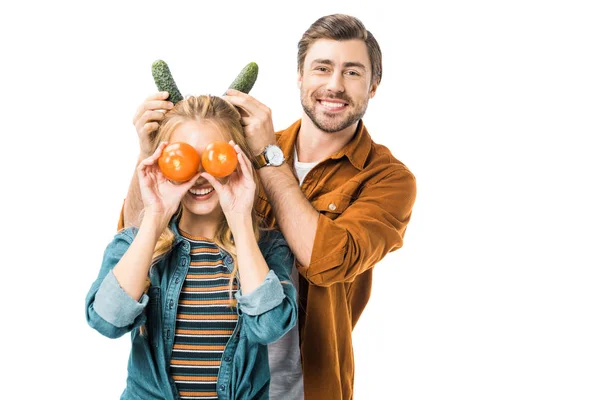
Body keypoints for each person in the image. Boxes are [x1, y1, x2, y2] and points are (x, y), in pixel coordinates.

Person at [123, 13, 416, 400]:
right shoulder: (238, 149)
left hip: (301, 386)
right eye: (322, 68)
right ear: (300, 76)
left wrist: (268, 159)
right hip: (199, 385)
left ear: (373, 85)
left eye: (353, 72)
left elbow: (327, 261)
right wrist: (149, 154)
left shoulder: (387, 178)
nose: (334, 85)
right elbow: (136, 243)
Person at [86, 95, 298, 400]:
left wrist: (240, 218)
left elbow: (269, 326)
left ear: (240, 163)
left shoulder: (267, 247)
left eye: (215, 158)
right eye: (183, 158)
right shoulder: (134, 244)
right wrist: (154, 218)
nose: (200, 176)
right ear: (161, 163)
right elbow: (107, 321)